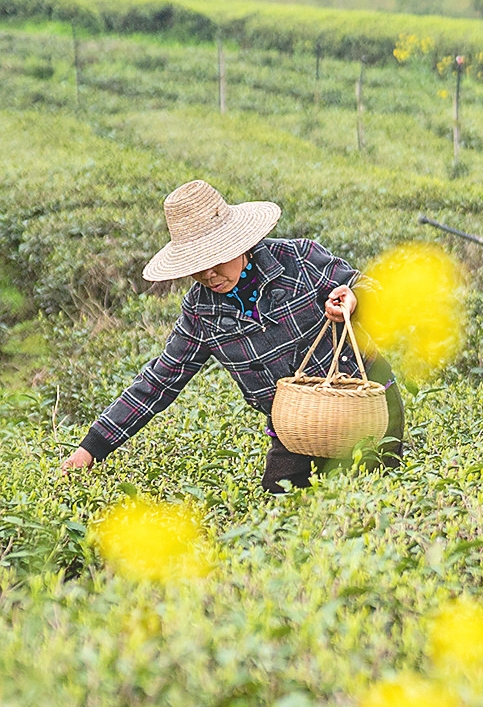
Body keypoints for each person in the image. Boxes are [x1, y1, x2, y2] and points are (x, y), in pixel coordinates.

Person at [58, 179, 403, 493]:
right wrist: (92, 447)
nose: (208, 274)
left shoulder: (298, 258)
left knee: (376, 501)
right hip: (297, 427)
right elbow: (160, 381)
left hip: (365, 407)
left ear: (240, 243)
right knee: (281, 516)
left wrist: (355, 302)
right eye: (197, 265)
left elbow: (366, 288)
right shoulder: (201, 311)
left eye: (216, 258)